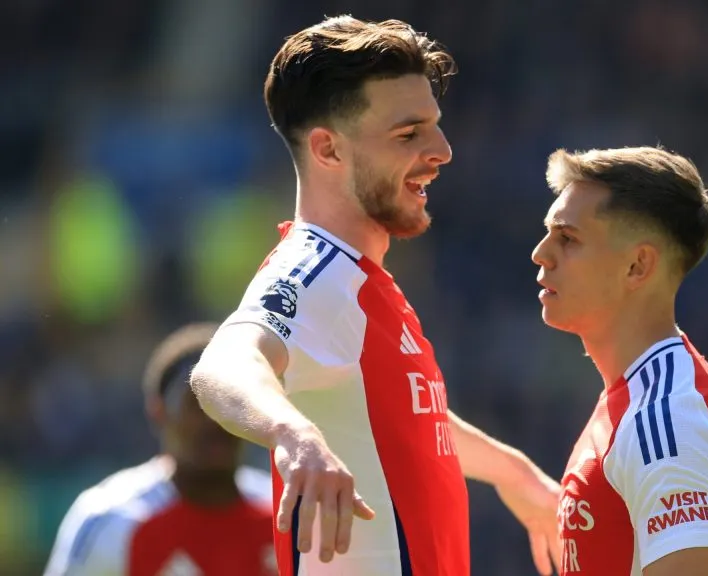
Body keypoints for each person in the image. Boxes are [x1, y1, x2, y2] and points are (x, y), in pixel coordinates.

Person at [189, 15, 561, 576]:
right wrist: (295, 435)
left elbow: (406, 418)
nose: (443, 151)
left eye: (435, 127)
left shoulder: (360, 282)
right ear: (328, 150)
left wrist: (513, 473)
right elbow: (224, 364)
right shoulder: (312, 270)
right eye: (408, 134)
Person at [531, 147, 708, 576]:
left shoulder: (668, 418)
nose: (541, 253)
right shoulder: (641, 395)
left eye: (568, 238)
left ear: (637, 266)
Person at [44, 323, 276, 576]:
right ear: (159, 412)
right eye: (197, 403)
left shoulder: (286, 515)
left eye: (229, 402)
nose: (215, 420)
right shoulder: (111, 521)